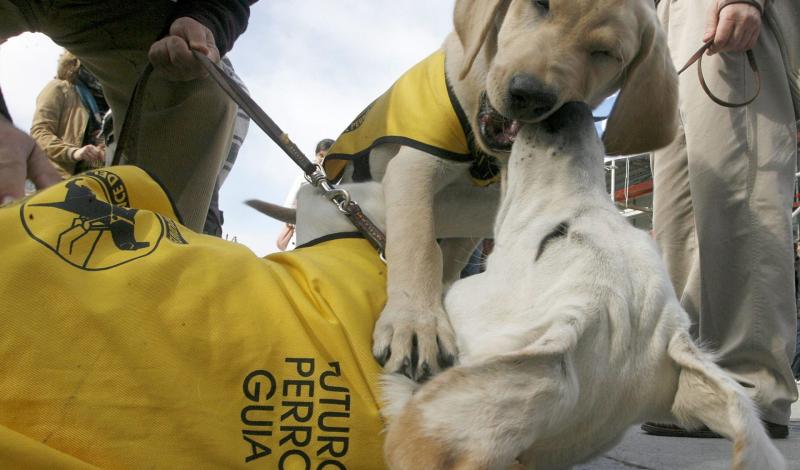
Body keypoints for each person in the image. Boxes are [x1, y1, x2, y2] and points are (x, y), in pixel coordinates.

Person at [644, 0, 798, 438]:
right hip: (664, 18)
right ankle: (693, 383)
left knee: (739, 193)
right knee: (682, 215)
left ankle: (750, 385)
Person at [0, 0, 257, 231]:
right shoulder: (59, 90)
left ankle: (153, 260)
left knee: (199, 84)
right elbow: (42, 131)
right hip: (57, 179)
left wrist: (204, 17)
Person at [30, 50, 108, 178]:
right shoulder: (58, 88)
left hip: (100, 181)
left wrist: (104, 151)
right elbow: (40, 133)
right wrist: (73, 152)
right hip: (60, 181)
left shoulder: (112, 101)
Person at [276, 138, 334, 251]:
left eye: (326, 157)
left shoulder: (332, 180)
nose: (322, 160)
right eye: (320, 155)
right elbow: (291, 197)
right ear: (316, 155)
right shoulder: (304, 176)